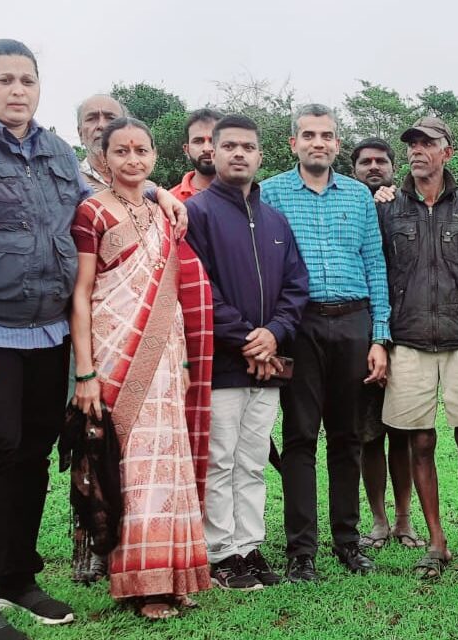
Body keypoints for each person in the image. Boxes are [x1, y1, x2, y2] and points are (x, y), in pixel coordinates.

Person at [0, 38, 186, 640]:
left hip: (48, 330)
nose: (17, 91)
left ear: (39, 89)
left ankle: (18, 576)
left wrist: (158, 191)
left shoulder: (57, 152)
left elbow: (95, 202)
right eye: (5, 80)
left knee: (36, 454)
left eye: (28, 81)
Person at [69, 117, 213, 619]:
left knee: (169, 456)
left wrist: (187, 357)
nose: (132, 160)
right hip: (115, 349)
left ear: (154, 156)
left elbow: (172, 289)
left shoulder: (162, 210)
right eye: (121, 152)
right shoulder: (90, 212)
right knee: (130, 461)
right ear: (102, 159)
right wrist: (85, 372)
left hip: (167, 350)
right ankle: (141, 581)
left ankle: (175, 573)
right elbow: (82, 295)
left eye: (141, 151)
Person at [260, 104, 388, 579]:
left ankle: (348, 541)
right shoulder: (269, 193)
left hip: (353, 322)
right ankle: (301, 550)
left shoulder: (357, 196)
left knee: (347, 436)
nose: (319, 142)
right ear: (293, 143)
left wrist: (380, 337)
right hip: (299, 324)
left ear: (337, 144)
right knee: (298, 437)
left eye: (328, 135)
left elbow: (375, 266)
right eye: (309, 135)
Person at [185, 114, 309, 590]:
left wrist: (274, 334)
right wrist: (246, 337)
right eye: (230, 146)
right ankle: (221, 553)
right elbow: (197, 289)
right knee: (220, 459)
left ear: (261, 155)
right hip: (221, 364)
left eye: (248, 147)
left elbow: (296, 287)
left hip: (268, 365)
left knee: (253, 459)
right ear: (212, 153)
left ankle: (250, 546)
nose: (240, 154)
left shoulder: (276, 219)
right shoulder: (197, 214)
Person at [379, 116, 458, 581]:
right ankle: (436, 540)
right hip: (408, 341)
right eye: (411, 144)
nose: (417, 151)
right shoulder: (389, 208)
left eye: (427, 143)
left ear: (447, 151)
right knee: (420, 440)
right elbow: (381, 275)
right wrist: (381, 338)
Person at [350, 137, 421, 551]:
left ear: (394, 168)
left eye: (381, 161)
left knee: (404, 433)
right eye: (365, 162)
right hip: (362, 335)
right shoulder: (350, 206)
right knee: (368, 434)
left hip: (405, 334)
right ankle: (377, 518)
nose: (374, 167)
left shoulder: (403, 205)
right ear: (354, 168)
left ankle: (404, 518)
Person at [76, 93, 127, 192]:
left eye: (111, 118)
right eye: (91, 118)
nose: (102, 125)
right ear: (80, 134)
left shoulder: (147, 189)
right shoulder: (66, 186)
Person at [171, 108, 224, 201]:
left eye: (214, 141)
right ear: (186, 150)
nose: (207, 149)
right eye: (198, 141)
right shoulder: (170, 202)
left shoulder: (248, 197)